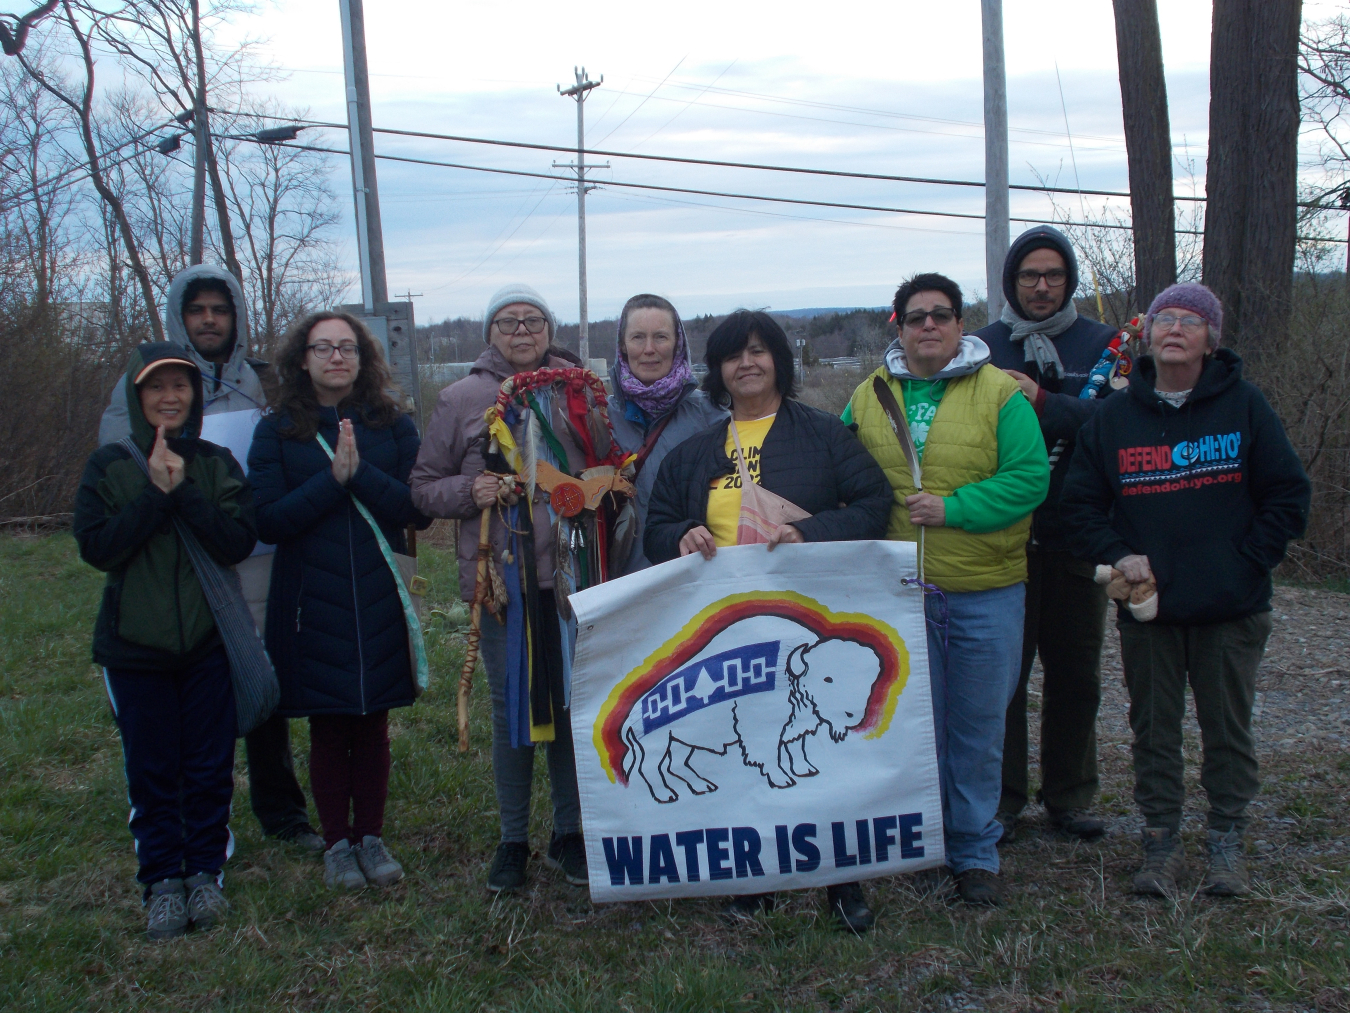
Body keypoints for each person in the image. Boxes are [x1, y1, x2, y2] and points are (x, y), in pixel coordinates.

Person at [644, 309, 892, 932]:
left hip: (807, 624)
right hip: (733, 629)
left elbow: (873, 504)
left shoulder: (824, 436)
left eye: (759, 351)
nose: (746, 363)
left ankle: (842, 880)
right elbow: (655, 528)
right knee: (748, 751)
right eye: (733, 355)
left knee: (814, 752)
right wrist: (682, 535)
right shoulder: (695, 452)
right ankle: (756, 878)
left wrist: (809, 532)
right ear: (718, 371)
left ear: (780, 360)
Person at [1061, 283, 1310, 898]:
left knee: (1228, 730)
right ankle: (1160, 842)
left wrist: (1247, 563)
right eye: (1164, 318)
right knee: (1155, 731)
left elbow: (1288, 496)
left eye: (1190, 321)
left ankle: (1226, 842)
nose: (1174, 329)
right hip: (1150, 611)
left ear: (1210, 338)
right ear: (1146, 335)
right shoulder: (1114, 419)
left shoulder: (1245, 406)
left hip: (1231, 608)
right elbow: (1079, 508)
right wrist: (1119, 554)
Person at [100, 264, 322, 855]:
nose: (208, 320)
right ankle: (190, 818)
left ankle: (281, 810)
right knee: (199, 690)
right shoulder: (147, 390)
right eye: (196, 310)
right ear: (181, 316)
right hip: (183, 565)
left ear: (236, 318)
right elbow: (114, 481)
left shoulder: (265, 385)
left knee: (261, 677)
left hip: (263, 556)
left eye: (218, 310)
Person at [845, 274, 1049, 905]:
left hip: (984, 590)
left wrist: (954, 508)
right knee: (913, 728)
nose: (928, 325)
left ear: (963, 325)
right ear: (897, 327)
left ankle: (974, 852)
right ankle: (925, 845)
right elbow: (839, 476)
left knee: (978, 727)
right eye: (915, 317)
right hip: (899, 594)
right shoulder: (867, 396)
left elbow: (1029, 478)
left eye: (941, 315)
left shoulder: (999, 395)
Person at [410, 283, 591, 894]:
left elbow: (605, 468)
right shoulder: (462, 398)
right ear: (490, 332)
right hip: (503, 588)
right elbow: (423, 485)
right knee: (513, 710)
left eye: (533, 319)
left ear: (549, 328)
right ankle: (513, 840)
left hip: (570, 581)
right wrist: (471, 492)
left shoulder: (578, 392)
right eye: (508, 321)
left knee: (569, 707)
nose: (521, 330)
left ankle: (570, 834)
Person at [74, 343, 258, 939]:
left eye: (180, 387)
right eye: (156, 389)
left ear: (194, 397)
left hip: (207, 643)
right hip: (135, 648)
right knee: (152, 771)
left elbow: (235, 541)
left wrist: (183, 493)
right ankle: (161, 882)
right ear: (137, 396)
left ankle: (205, 873)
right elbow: (99, 550)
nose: (169, 398)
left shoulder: (215, 462)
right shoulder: (109, 466)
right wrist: (153, 494)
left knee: (208, 766)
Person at [248, 311, 429, 892]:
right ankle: (336, 843)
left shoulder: (392, 424)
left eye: (347, 348)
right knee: (328, 725)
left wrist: (358, 476)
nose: (336, 358)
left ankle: (370, 837)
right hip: (310, 598)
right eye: (323, 347)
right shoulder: (278, 429)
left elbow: (417, 507)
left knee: (372, 721)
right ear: (302, 358)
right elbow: (268, 519)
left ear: (364, 357)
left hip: (379, 592)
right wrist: (331, 479)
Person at [975, 226, 1121, 843]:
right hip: (1003, 539)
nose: (1041, 286)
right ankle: (1002, 799)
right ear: (1012, 281)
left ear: (1069, 282)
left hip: (1078, 535)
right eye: (1030, 275)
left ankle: (1069, 794)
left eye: (1053, 275)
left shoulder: (1105, 345)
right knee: (1002, 678)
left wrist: (1040, 399)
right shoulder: (981, 346)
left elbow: (1113, 424)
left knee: (1075, 673)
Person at [608, 293, 727, 574]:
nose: (649, 349)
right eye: (638, 337)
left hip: (694, 575)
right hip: (622, 582)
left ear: (677, 344)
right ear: (623, 346)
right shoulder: (600, 418)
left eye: (660, 337)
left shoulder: (711, 416)